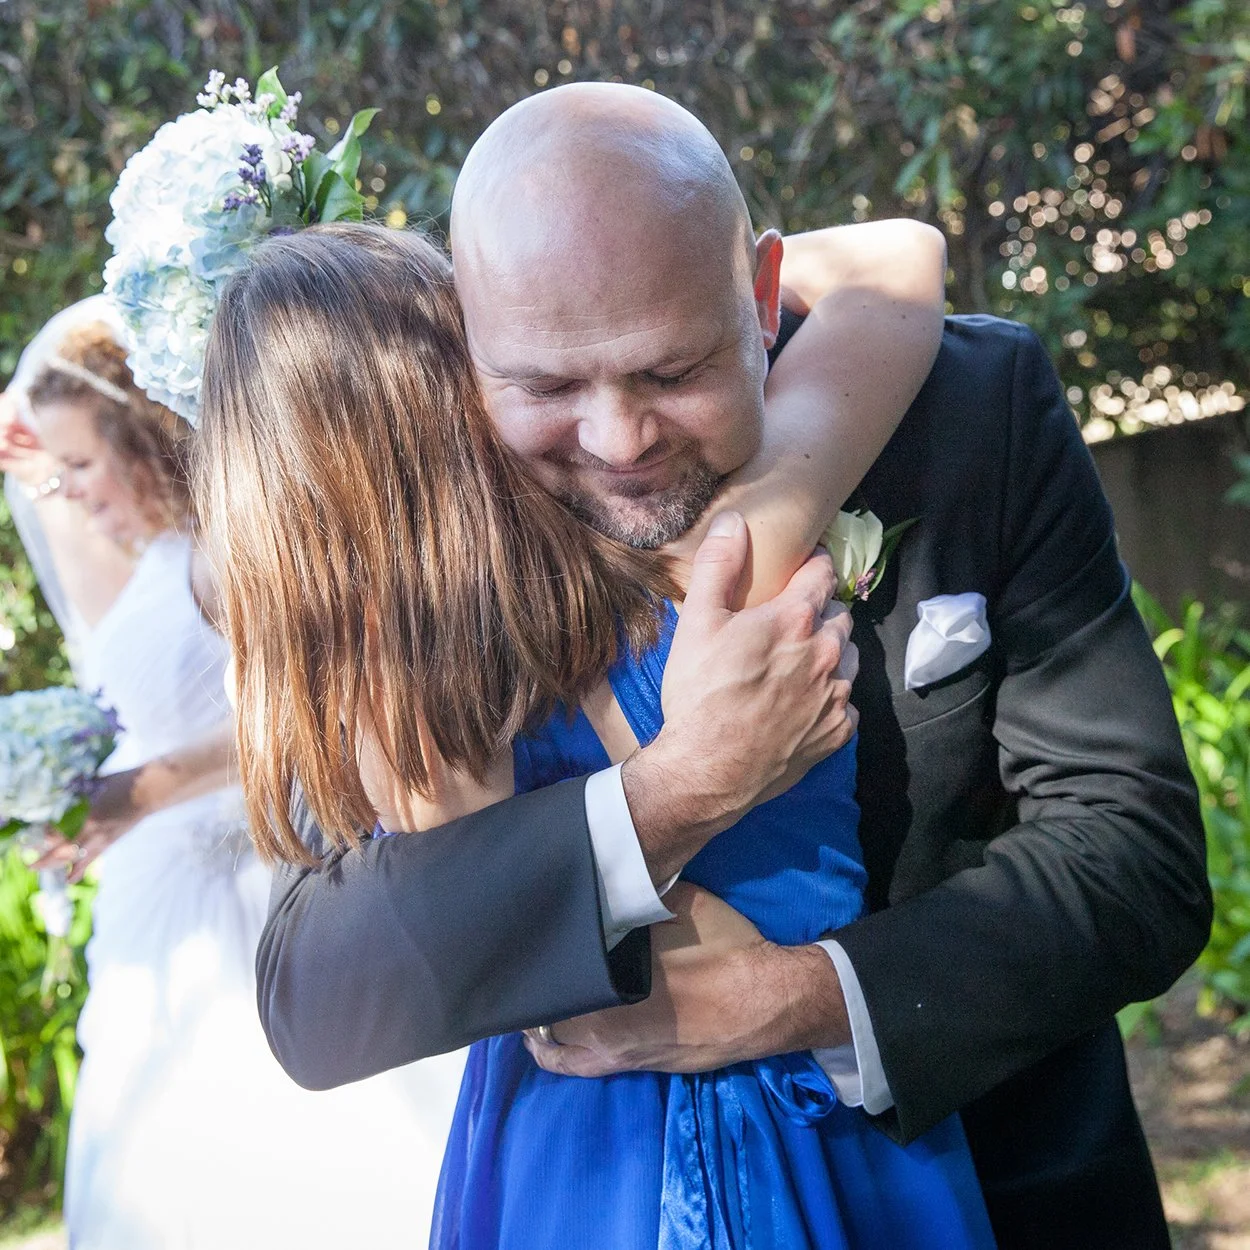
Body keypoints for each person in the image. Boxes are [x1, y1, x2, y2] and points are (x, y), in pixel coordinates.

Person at [255, 85, 1209, 1250]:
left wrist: (798, 998)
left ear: (760, 296)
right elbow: (316, 987)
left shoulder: (969, 410)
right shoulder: (432, 516)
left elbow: (1138, 858)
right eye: (547, 387)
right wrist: (676, 792)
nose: (616, 438)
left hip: (986, 1190)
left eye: (668, 372)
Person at [196, 197, 999, 1247]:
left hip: (558, 1144)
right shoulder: (719, 557)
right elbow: (901, 257)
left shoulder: (392, 704)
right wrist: (662, 275)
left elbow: (480, 921)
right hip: (797, 1126)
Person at [7, 309, 465, 1248]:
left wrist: (145, 790)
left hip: (247, 876)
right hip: (155, 893)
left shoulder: (231, 550)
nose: (72, 493)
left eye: (82, 465)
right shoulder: (144, 566)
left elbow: (298, 715)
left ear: (139, 435)